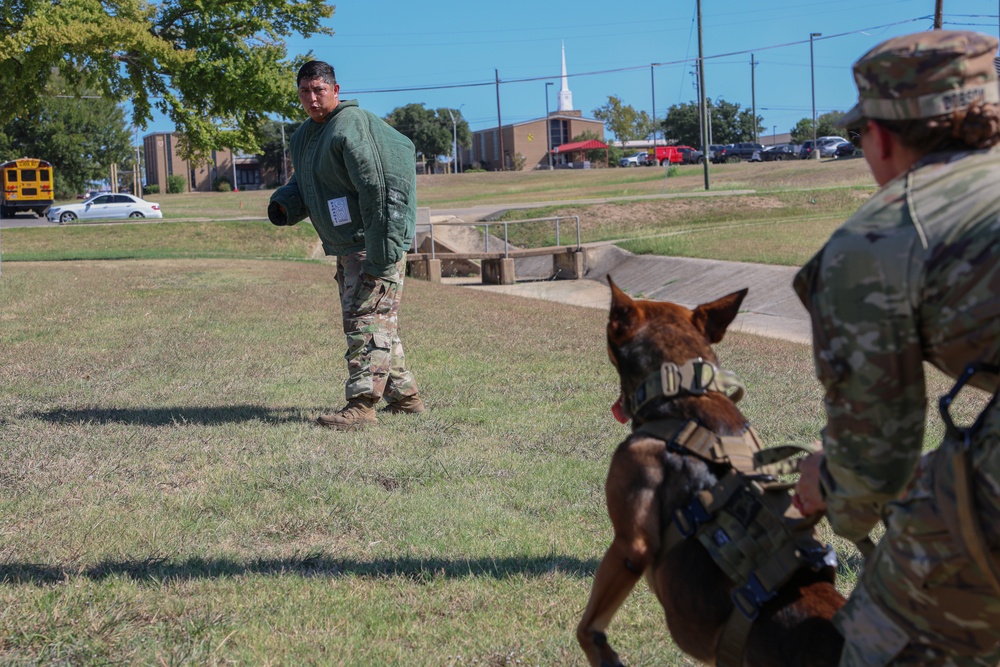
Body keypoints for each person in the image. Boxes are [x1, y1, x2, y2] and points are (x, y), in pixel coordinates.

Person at [791, 30, 1000, 666]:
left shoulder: (878, 240)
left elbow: (873, 472)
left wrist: (829, 481)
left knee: (881, 640)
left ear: (879, 137)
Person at [269, 60, 424, 430]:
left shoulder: (351, 126)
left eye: (319, 90)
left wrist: (383, 249)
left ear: (336, 91)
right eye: (305, 91)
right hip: (346, 247)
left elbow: (380, 188)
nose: (312, 98)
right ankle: (406, 398)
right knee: (376, 322)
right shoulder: (305, 135)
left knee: (364, 323)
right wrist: (284, 204)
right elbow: (307, 181)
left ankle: (361, 406)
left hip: (370, 244)